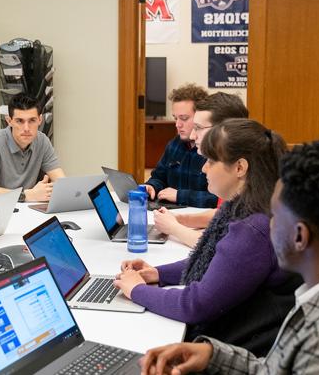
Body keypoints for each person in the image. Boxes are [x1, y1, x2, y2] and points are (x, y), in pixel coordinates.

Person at [141, 141, 319, 375]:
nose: (267, 225)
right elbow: (276, 369)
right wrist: (212, 355)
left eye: (274, 216)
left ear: (300, 237)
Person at [115, 119, 301, 355]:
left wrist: (137, 291)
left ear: (240, 168)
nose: (204, 169)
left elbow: (196, 305)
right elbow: (218, 260)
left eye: (212, 161)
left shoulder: (254, 228)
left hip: (239, 349)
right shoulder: (250, 207)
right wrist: (158, 274)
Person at [154, 92, 248, 247]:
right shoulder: (233, 168)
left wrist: (174, 228)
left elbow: (219, 247)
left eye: (197, 128)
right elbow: (224, 213)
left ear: (224, 129)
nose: (192, 135)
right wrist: (182, 220)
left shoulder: (240, 174)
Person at [0, 93, 65, 207]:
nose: (26, 128)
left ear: (40, 120)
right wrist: (27, 195)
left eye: (32, 120)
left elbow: (61, 183)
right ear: (9, 121)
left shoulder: (42, 141)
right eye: (20, 121)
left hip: (23, 207)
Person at [144, 83, 216, 208]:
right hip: (170, 213)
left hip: (201, 218)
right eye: (175, 118)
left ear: (200, 116)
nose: (177, 124)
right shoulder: (174, 144)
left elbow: (221, 200)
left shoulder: (216, 151)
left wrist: (180, 196)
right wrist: (151, 186)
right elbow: (159, 177)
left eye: (183, 118)